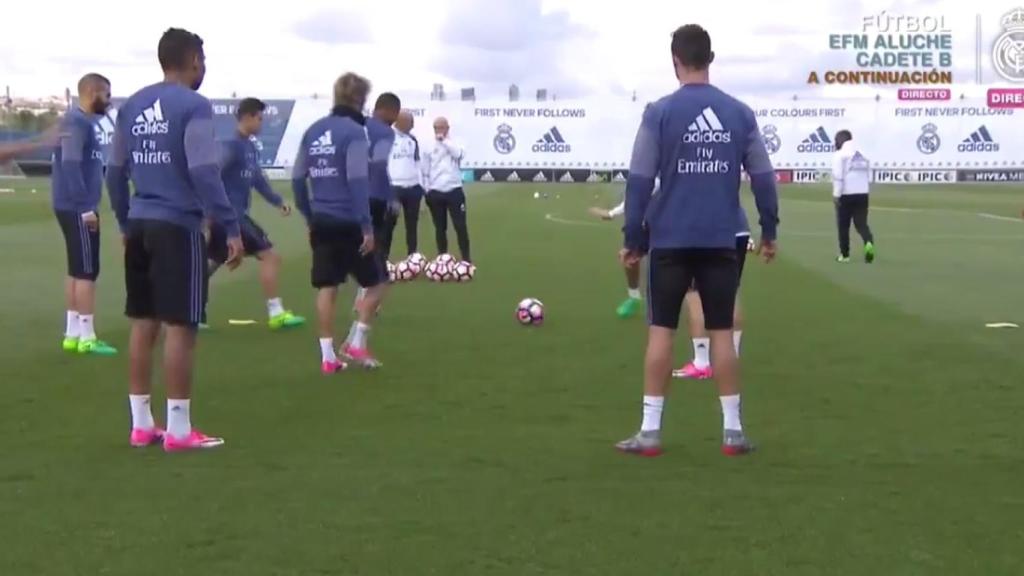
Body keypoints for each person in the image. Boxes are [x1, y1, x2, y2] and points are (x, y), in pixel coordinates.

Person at [616, 24, 779, 458]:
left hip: (670, 237)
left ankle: (650, 432)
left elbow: (639, 180)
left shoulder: (659, 113)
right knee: (721, 331)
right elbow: (763, 176)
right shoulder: (738, 113)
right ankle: (733, 432)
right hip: (721, 236)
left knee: (661, 332)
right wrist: (770, 230)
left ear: (675, 61)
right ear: (711, 58)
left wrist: (633, 237)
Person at [107, 27, 243, 452]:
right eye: (203, 58)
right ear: (194, 60)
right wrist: (230, 225)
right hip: (177, 225)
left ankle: (142, 425)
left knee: (143, 323)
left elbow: (114, 172)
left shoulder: (132, 105)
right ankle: (180, 430)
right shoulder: (195, 105)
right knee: (180, 326)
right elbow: (204, 170)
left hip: (142, 222)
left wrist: (125, 223)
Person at [292, 72, 386, 373]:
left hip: (322, 219)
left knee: (327, 286)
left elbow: (297, 180)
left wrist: (309, 216)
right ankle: (356, 341)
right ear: (360, 100)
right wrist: (367, 227)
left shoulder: (314, 130)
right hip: (349, 222)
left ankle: (328, 357)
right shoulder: (355, 133)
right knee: (378, 282)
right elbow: (358, 181)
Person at [207, 97, 304, 330]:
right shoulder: (230, 145)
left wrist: (277, 201)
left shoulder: (248, 146)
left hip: (231, 215)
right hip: (230, 216)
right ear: (248, 117)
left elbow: (257, 179)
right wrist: (208, 213)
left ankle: (189, 313)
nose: (262, 123)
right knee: (270, 256)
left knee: (211, 263)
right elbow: (211, 176)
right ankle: (276, 313)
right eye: (260, 118)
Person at [52, 73, 117, 356]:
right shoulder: (77, 122)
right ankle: (87, 337)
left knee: (76, 269)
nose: (109, 100)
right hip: (78, 207)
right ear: (92, 92)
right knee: (87, 270)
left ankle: (72, 333)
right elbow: (70, 164)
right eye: (106, 94)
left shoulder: (77, 123)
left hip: (70, 205)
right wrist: (86, 208)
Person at [673, 215, 752, 379]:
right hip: (738, 228)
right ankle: (731, 356)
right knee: (731, 289)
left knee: (694, 294)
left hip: (702, 230)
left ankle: (701, 363)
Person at [354, 92, 400, 309]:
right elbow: (380, 165)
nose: (396, 118)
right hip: (375, 196)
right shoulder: (385, 132)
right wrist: (391, 197)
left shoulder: (358, 127)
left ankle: (361, 297)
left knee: (363, 245)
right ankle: (367, 300)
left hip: (354, 194)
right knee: (376, 248)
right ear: (387, 110)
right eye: (395, 113)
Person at [423, 116, 471, 262]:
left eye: (441, 127)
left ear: (447, 128)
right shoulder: (428, 145)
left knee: (460, 226)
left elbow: (459, 154)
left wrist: (444, 141)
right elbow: (425, 170)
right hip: (435, 191)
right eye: (436, 128)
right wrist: (427, 190)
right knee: (440, 227)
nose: (439, 131)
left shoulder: (455, 142)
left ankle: (466, 259)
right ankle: (442, 258)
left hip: (454, 189)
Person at [832, 129, 875, 263]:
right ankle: (868, 242)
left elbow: (838, 176)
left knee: (843, 226)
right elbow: (869, 173)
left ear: (840, 141)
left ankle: (845, 255)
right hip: (863, 193)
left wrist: (836, 195)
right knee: (861, 223)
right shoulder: (862, 154)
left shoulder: (839, 155)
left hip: (846, 193)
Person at [387, 110, 425, 257]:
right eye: (410, 122)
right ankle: (383, 260)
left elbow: (417, 164)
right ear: (400, 122)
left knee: (412, 226)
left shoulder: (413, 140)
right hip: (394, 188)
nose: (413, 125)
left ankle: (412, 258)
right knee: (389, 225)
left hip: (413, 189)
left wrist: (420, 186)